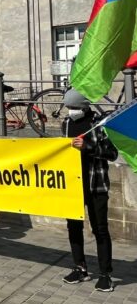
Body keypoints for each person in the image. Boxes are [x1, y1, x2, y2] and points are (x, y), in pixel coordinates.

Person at [61, 89, 118, 292]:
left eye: (74, 107)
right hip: (74, 186)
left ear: (84, 106)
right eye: (68, 107)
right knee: (73, 228)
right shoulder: (66, 124)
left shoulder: (99, 124)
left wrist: (88, 147)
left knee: (100, 229)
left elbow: (112, 153)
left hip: (96, 185)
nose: (71, 111)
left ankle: (105, 274)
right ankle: (80, 268)